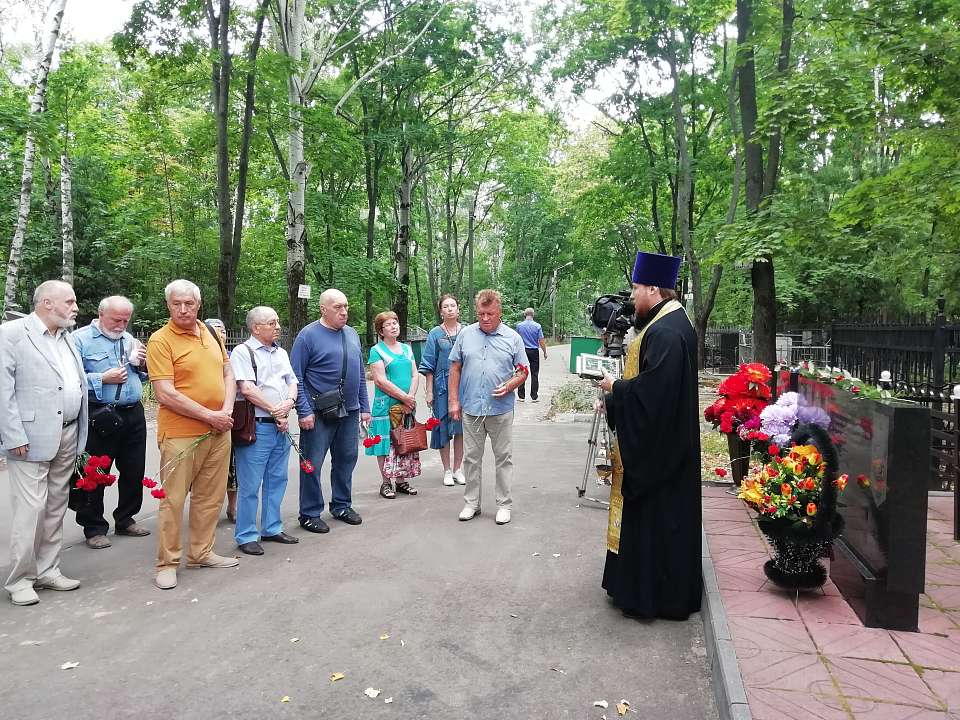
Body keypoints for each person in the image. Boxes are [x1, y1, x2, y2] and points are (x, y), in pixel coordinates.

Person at [597, 251, 702, 621]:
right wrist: (620, 397)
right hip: (671, 446)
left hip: (661, 456)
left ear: (654, 289)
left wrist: (616, 391)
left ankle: (653, 595)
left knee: (657, 519)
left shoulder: (665, 332)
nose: (632, 297)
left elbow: (653, 397)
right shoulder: (672, 323)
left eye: (637, 289)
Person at [147, 280, 239, 590]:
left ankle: (201, 552)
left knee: (210, 497)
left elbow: (228, 373)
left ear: (199, 304)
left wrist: (225, 411)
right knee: (173, 500)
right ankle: (167, 562)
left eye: (189, 303)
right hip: (182, 434)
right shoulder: (160, 341)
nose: (183, 309)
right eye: (177, 304)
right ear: (168, 305)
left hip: (218, 431)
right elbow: (165, 393)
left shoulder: (211, 333)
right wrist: (211, 416)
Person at [0, 280, 87, 606]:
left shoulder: (65, 338)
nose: (75, 307)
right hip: (29, 438)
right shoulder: (11, 334)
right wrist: (12, 436)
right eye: (70, 301)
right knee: (30, 511)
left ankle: (48, 569)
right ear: (47, 303)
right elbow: (2, 390)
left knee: (54, 506)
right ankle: (20, 579)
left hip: (66, 432)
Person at [72, 295, 151, 549]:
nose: (121, 325)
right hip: (100, 414)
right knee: (95, 471)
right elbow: (70, 379)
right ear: (101, 314)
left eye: (126, 320)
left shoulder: (129, 340)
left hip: (133, 413)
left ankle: (126, 518)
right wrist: (101, 378)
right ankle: (93, 526)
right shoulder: (80, 339)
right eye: (117, 319)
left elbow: (144, 376)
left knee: (134, 468)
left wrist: (143, 365)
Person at [291, 288, 371, 532]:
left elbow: (358, 373)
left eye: (345, 306)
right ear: (323, 309)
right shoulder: (308, 336)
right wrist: (303, 410)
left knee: (347, 458)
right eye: (338, 307)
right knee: (312, 462)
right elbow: (295, 376)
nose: (344, 311)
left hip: (350, 411)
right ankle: (309, 513)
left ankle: (341, 505)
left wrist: (364, 407)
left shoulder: (352, 334)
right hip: (318, 412)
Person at [448, 289, 528, 525]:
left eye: (490, 314)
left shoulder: (513, 338)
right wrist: (454, 401)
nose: (485, 318)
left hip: (500, 409)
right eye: (481, 313)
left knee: (503, 458)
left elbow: (523, 370)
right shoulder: (465, 335)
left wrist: (510, 384)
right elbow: (455, 368)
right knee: (471, 458)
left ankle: (504, 505)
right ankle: (472, 503)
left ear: (499, 312)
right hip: (471, 408)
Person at [229, 306, 299, 556]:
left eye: (278, 321)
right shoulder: (242, 352)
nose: (278, 326)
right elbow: (246, 388)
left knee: (277, 479)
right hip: (256, 427)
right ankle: (246, 534)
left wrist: (289, 404)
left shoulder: (281, 353)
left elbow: (292, 382)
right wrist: (275, 410)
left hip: (279, 425)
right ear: (255, 327)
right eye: (272, 322)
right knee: (250, 484)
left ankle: (272, 527)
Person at [367, 311, 420, 499]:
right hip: (386, 405)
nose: (393, 326)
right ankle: (386, 482)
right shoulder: (377, 350)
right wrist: (404, 398)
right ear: (381, 331)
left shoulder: (407, 349)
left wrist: (411, 397)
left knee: (403, 441)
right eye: (388, 324)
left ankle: (401, 480)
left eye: (395, 322)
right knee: (385, 443)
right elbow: (380, 381)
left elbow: (415, 374)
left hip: (407, 403)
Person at [419, 294, 465, 486]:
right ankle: (446, 470)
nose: (450, 309)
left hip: (463, 386)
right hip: (441, 387)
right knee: (443, 428)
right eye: (445, 307)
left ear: (458, 309)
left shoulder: (468, 331)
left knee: (461, 429)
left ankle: (458, 469)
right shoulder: (435, 334)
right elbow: (428, 364)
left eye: (453, 305)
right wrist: (429, 391)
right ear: (441, 311)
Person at [206, 317, 238, 524]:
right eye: (214, 330)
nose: (220, 334)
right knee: (205, 469)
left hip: (230, 416)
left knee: (232, 465)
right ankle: (206, 509)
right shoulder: (202, 354)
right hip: (203, 417)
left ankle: (233, 507)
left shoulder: (235, 356)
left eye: (223, 330)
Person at [515, 308, 547, 403]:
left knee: (521, 372)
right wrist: (544, 351)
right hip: (534, 351)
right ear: (533, 315)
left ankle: (521, 396)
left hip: (522, 351)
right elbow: (541, 340)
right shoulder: (537, 326)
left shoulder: (519, 326)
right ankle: (534, 396)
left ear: (525, 314)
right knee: (534, 373)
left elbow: (516, 339)